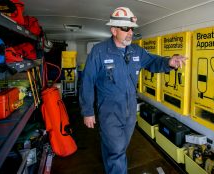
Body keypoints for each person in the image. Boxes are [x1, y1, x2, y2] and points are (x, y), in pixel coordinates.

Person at [79, 7, 187, 174]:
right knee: (116, 150)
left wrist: (169, 62)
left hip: (130, 110)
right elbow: (87, 81)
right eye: (125, 28)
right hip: (109, 111)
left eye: (132, 28)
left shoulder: (136, 51)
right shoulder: (99, 51)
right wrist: (87, 111)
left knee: (119, 146)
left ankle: (110, 154)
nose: (130, 32)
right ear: (114, 30)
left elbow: (153, 61)